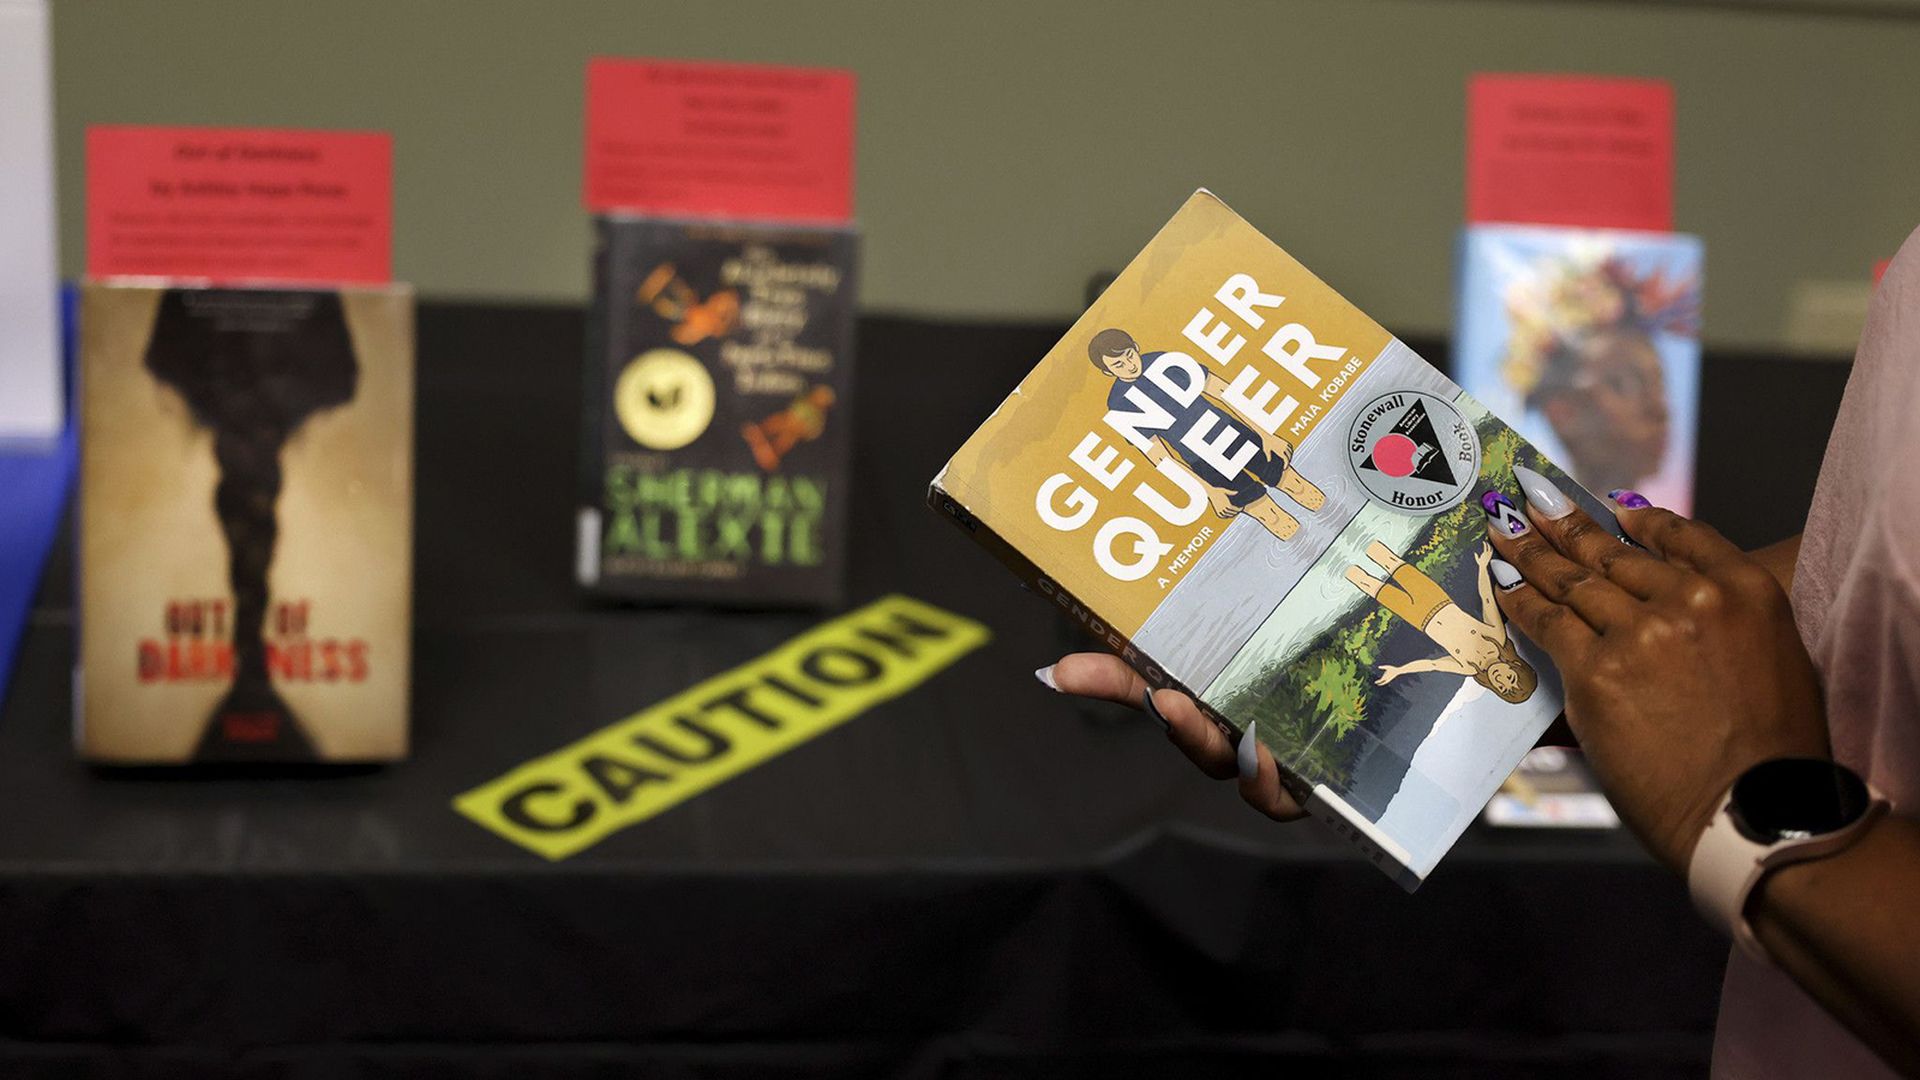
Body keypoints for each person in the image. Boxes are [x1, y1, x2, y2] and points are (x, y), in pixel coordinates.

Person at [1040, 229, 1920, 1075]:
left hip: (1825, 934)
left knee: (1358, 555)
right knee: (1362, 571)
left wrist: (1751, 808)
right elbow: (1872, 578)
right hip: (1796, 1018)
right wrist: (1595, 663)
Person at [1088, 328, 1325, 541]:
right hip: (1203, 461)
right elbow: (1160, 457)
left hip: (1232, 433)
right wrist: (1209, 492)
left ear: (1136, 347)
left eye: (1129, 355)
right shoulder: (1119, 405)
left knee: (1297, 487)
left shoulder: (1165, 361)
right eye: (1118, 365)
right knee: (1272, 518)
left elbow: (1222, 390)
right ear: (1107, 372)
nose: (1130, 365)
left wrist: (1266, 435)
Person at [1346, 538, 1537, 704]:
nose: (1500, 679)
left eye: (1502, 687)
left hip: (1419, 619)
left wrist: (1399, 670)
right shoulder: (1496, 638)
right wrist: (1481, 568)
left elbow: (1433, 664)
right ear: (1516, 665)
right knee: (1390, 562)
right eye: (1510, 677)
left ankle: (1343, 566)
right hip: (1437, 599)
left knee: (1370, 585)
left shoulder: (1468, 667)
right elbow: (1487, 599)